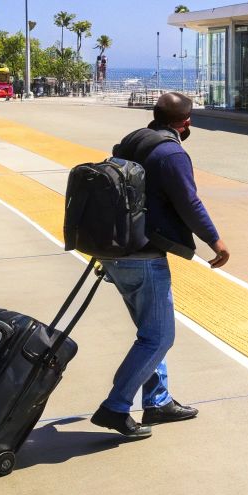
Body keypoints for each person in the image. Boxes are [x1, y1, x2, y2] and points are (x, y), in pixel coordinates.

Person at [91, 91, 231, 439]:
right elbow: (189, 203)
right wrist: (215, 241)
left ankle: (157, 400)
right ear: (185, 122)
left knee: (149, 331)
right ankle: (116, 406)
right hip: (143, 255)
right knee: (160, 336)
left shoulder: (132, 141)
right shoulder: (172, 153)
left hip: (114, 249)